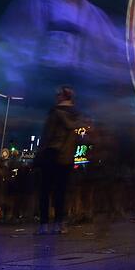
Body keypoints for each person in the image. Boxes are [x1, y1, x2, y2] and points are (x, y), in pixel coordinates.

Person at [35, 85, 85, 234]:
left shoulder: (54, 113)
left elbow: (47, 136)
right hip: (67, 158)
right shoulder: (77, 117)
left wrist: (40, 154)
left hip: (51, 154)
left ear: (63, 97)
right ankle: (59, 223)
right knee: (60, 191)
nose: (56, 97)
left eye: (58, 95)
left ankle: (43, 224)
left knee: (45, 191)